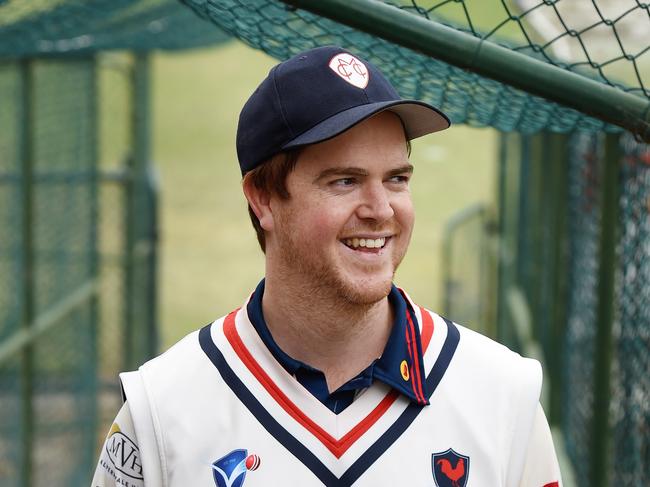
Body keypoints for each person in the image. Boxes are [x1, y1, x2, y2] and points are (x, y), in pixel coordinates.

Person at [92, 46, 562, 487]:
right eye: (345, 181)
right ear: (263, 200)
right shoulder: (159, 413)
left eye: (396, 178)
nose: (381, 209)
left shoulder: (505, 397)